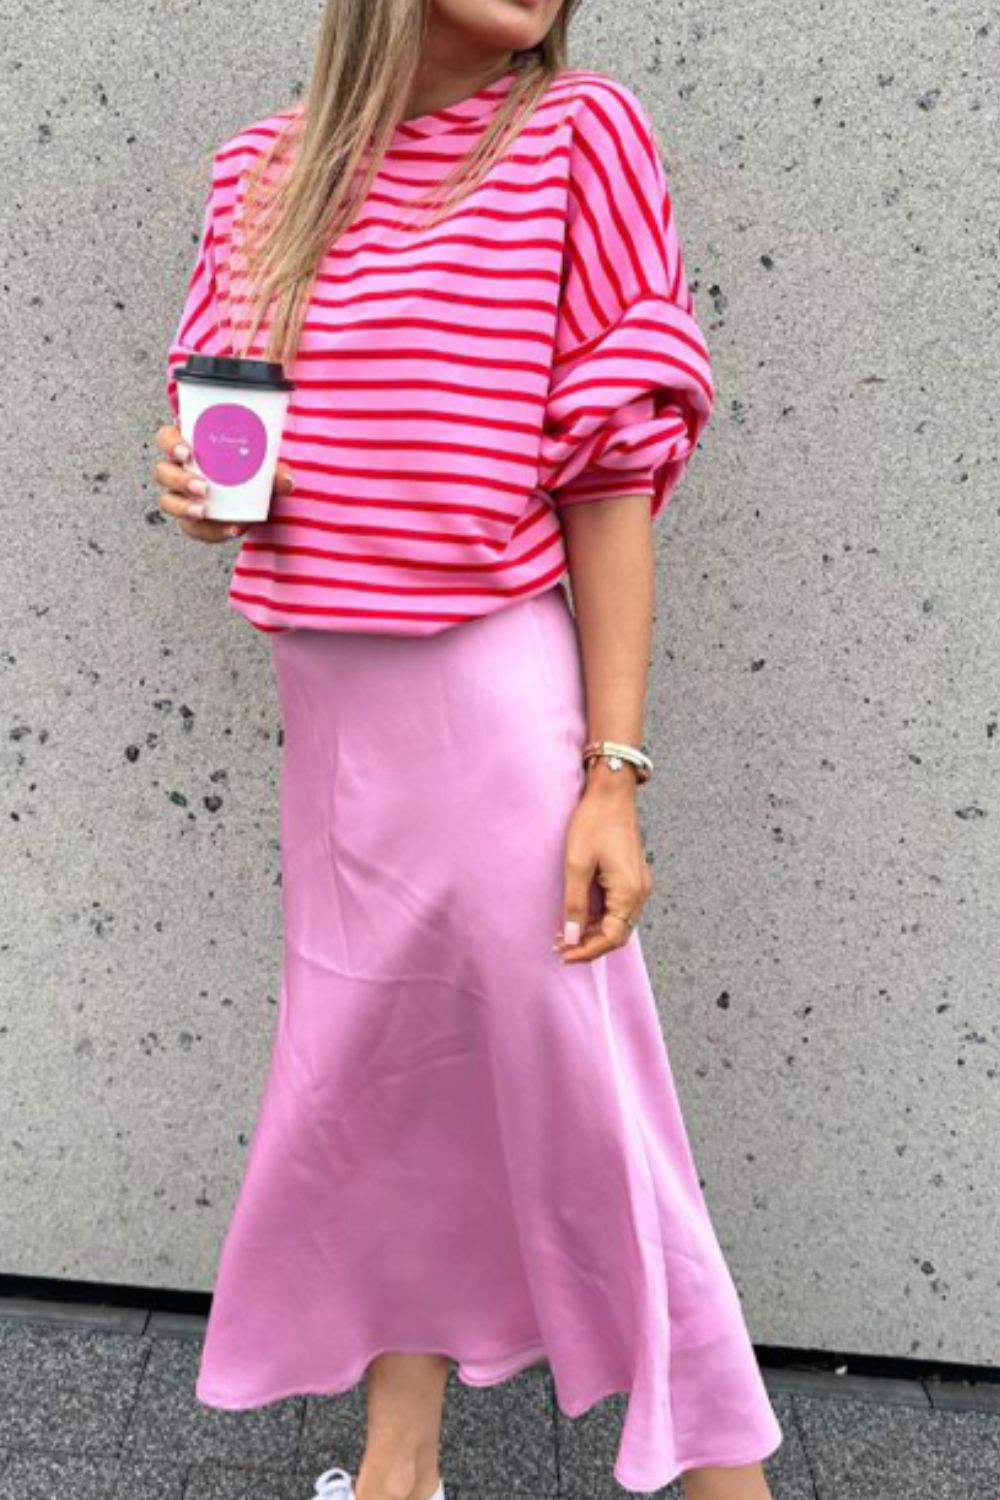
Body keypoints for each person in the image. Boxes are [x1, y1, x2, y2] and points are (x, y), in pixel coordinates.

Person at [152, 2, 783, 1497]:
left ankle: (726, 1479)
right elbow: (232, 440)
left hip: (491, 703)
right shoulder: (260, 173)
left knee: (590, 1098)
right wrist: (191, 483)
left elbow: (611, 476)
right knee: (382, 1087)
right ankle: (399, 1471)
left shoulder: (575, 137)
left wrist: (612, 775)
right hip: (334, 724)